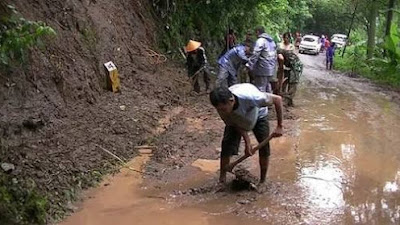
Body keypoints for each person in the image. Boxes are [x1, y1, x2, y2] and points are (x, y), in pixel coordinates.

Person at [209, 83, 283, 185]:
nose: (221, 112)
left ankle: (262, 180)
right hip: (239, 118)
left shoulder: (252, 98)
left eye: (223, 109)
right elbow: (234, 123)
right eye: (219, 109)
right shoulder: (222, 108)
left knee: (264, 147)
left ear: (231, 101)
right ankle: (222, 179)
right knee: (226, 145)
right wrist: (247, 141)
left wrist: (279, 126)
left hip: (259, 115)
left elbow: (277, 99)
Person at [246, 26, 277, 93]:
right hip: (271, 68)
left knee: (260, 88)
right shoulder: (271, 41)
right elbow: (275, 55)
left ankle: (262, 103)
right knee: (268, 86)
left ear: (258, 32)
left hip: (262, 68)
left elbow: (255, 54)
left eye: (255, 33)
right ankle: (269, 102)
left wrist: (249, 65)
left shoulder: (260, 41)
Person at [277, 32, 303, 106]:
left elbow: (294, 58)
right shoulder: (280, 46)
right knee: (283, 82)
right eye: (285, 38)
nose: (286, 39)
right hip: (285, 65)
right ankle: (282, 98)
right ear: (283, 38)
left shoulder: (291, 47)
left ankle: (288, 100)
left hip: (294, 67)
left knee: (292, 83)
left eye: (288, 38)